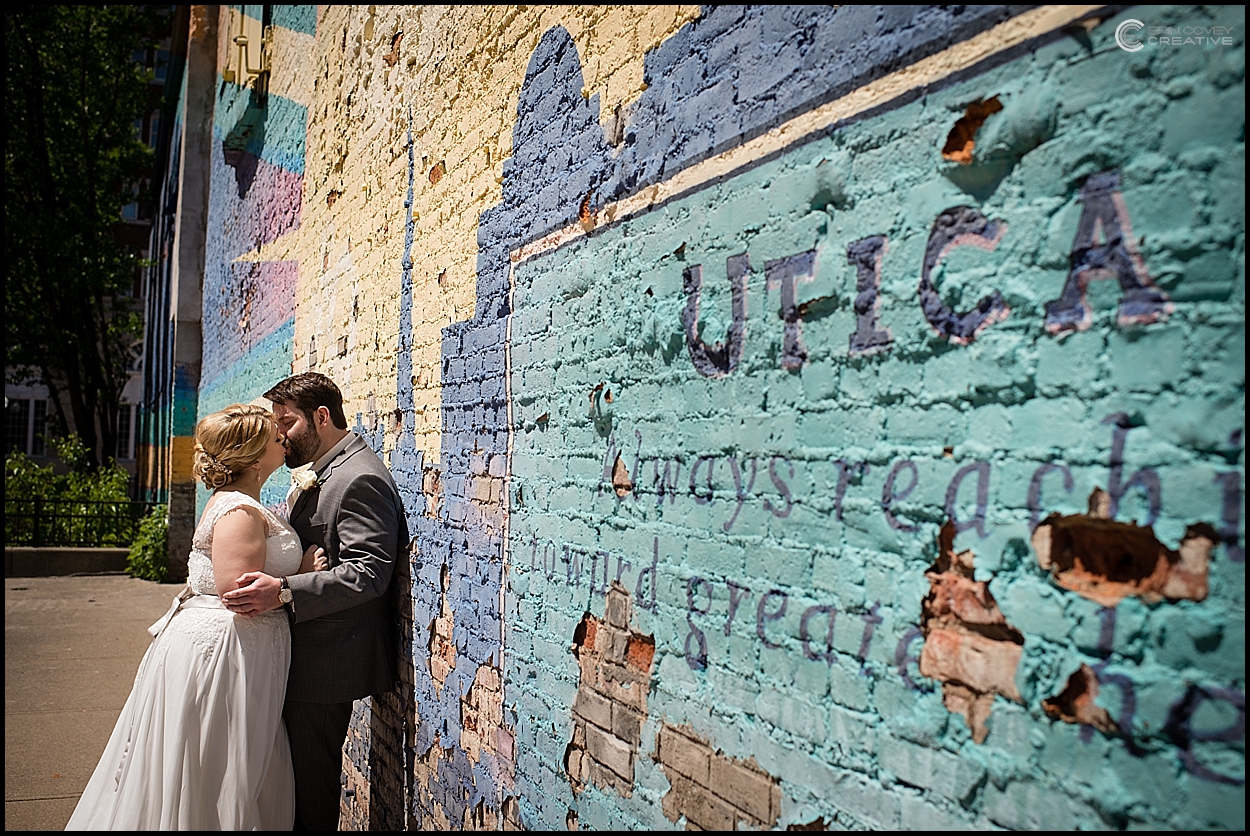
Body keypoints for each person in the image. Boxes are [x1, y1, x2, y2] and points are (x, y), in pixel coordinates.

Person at [67, 404, 327, 830]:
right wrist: (298, 576)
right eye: (272, 437)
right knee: (220, 758)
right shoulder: (240, 512)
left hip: (240, 646)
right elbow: (239, 593)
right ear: (253, 455)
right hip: (227, 653)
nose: (283, 438)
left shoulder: (239, 503)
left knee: (221, 757)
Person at [222, 372, 407, 831]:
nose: (278, 435)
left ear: (321, 417)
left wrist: (284, 590)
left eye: (286, 423)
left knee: (311, 789)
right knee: (295, 784)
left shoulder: (359, 477)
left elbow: (368, 574)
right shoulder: (326, 472)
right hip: (305, 658)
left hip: (327, 665)